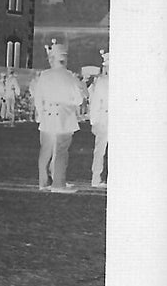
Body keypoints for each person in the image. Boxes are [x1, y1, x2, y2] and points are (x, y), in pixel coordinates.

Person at [30, 38, 86, 192]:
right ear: (64, 59)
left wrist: (40, 115)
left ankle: (43, 182)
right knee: (61, 151)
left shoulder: (45, 75)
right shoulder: (69, 76)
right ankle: (58, 183)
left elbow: (38, 98)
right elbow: (79, 99)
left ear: (51, 59)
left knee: (46, 150)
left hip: (47, 115)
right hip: (64, 116)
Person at [87, 48, 109, 188]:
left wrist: (94, 121)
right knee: (100, 150)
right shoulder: (102, 82)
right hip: (105, 119)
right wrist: (94, 121)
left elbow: (95, 103)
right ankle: (96, 178)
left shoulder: (102, 81)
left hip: (106, 119)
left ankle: (97, 178)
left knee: (100, 150)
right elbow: (95, 103)